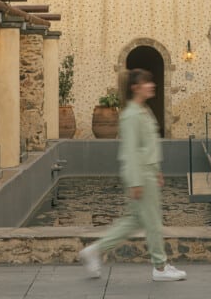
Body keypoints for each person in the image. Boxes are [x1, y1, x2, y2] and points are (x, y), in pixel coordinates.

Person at [78, 69, 187, 282]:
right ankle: (161, 268)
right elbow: (130, 151)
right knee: (153, 222)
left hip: (147, 173)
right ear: (135, 88)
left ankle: (94, 251)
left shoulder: (143, 111)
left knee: (133, 221)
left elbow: (147, 147)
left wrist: (157, 171)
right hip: (141, 176)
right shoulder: (130, 116)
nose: (152, 85)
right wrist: (137, 181)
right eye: (147, 82)